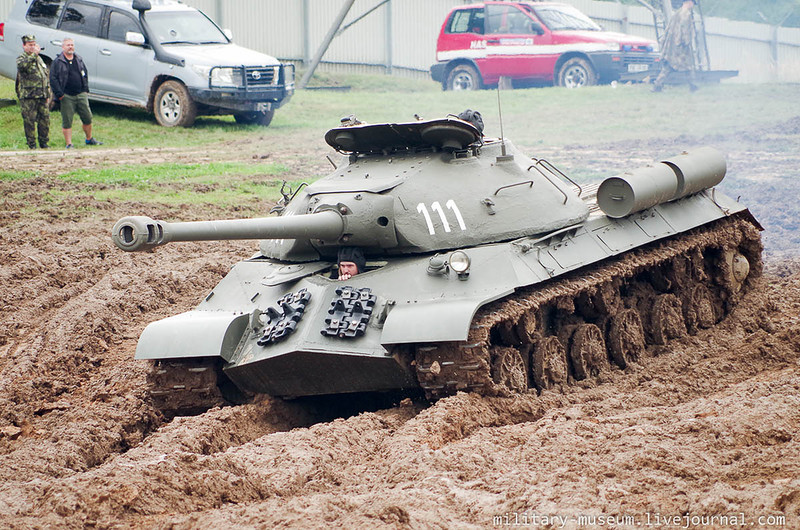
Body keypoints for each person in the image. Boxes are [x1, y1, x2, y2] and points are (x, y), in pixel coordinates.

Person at [50, 38, 102, 148]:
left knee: (88, 118)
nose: (70, 47)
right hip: (66, 96)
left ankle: (89, 139)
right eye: (68, 45)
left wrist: (85, 89)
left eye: (72, 45)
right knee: (67, 121)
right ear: (63, 47)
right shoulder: (58, 62)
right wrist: (59, 94)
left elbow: (85, 73)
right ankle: (69, 143)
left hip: (81, 94)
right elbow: (53, 78)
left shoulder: (78, 59)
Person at [652, 0, 698, 92]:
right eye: (693, 3)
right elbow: (685, 30)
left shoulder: (677, 13)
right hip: (680, 46)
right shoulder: (686, 14)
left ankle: (693, 86)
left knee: (680, 65)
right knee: (681, 65)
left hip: (672, 44)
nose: (692, 5)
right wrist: (687, 42)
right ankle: (657, 85)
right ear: (689, 2)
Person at [15, 35, 50, 149]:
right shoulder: (22, 58)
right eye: (30, 45)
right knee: (29, 121)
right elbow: (22, 66)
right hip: (28, 96)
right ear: (24, 46)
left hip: (41, 94)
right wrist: (34, 55)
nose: (33, 47)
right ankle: (32, 144)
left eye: (34, 45)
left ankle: (44, 142)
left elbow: (44, 76)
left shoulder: (39, 59)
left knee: (44, 120)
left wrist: (47, 93)